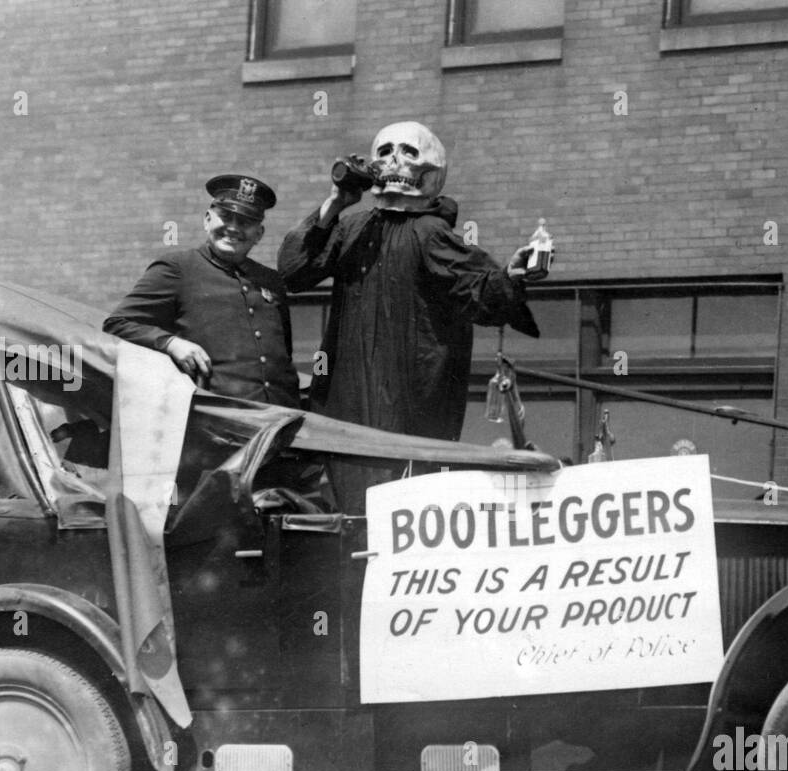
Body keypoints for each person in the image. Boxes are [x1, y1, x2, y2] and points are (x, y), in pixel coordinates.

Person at [278, 121, 544, 512]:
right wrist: (337, 201)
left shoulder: (431, 233)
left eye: (408, 153)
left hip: (408, 400)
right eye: (384, 152)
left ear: (430, 169)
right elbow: (294, 270)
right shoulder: (352, 227)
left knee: (400, 494)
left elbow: (481, 291)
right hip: (347, 396)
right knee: (351, 500)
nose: (393, 162)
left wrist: (512, 276)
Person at [103, 174, 299, 407]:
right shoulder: (178, 268)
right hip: (216, 419)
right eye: (225, 217)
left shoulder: (271, 280)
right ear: (207, 220)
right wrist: (170, 343)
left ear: (259, 234)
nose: (233, 228)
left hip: (283, 414)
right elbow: (118, 323)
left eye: (245, 222)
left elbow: (284, 353)